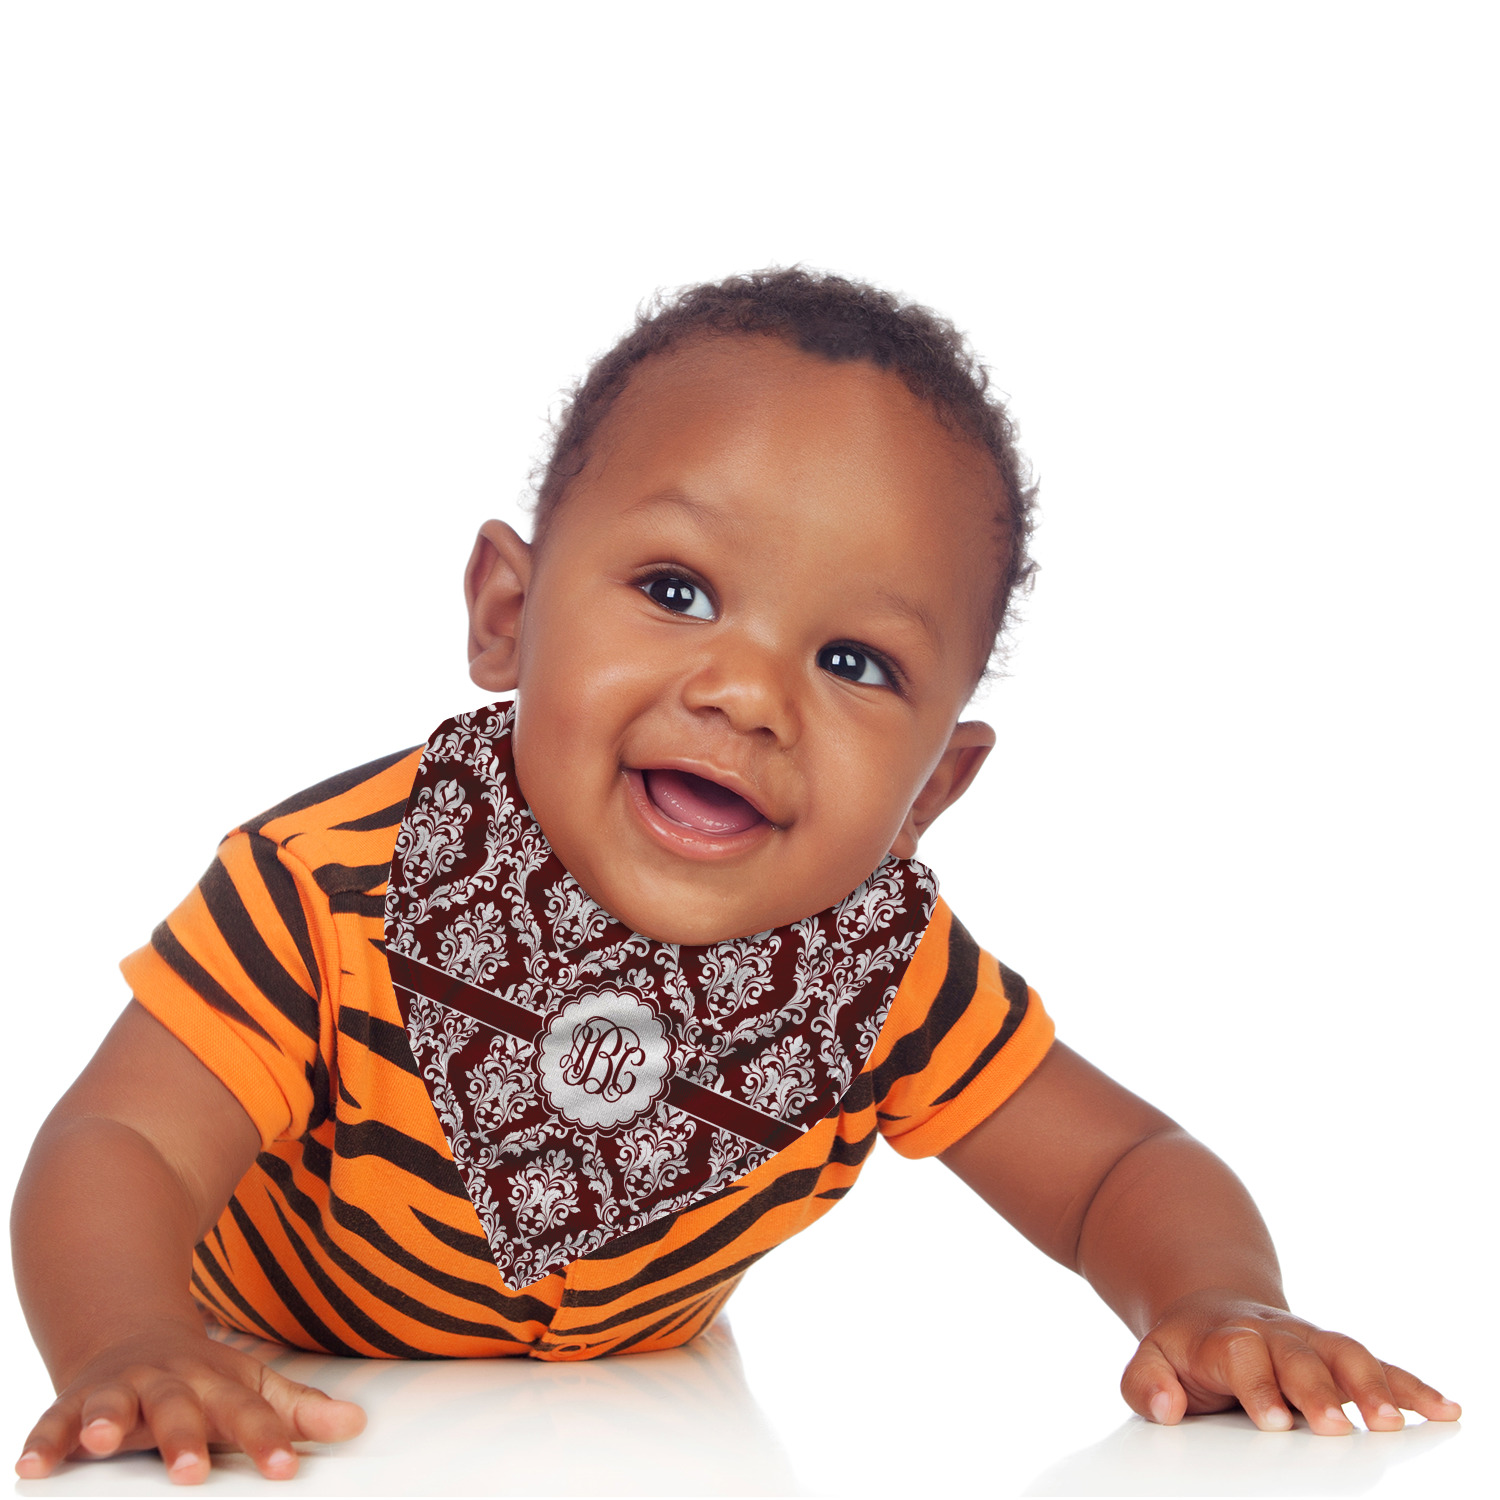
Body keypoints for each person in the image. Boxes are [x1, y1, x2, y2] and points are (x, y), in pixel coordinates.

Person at [11, 269, 1460, 1485]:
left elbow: (1119, 1169)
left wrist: (1215, 1297)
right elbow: (116, 1147)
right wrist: (131, 1341)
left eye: (854, 662)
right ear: (509, 614)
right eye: (676, 591)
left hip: (660, 1446)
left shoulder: (875, 973)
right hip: (286, 1403)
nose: (748, 695)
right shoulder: (330, 893)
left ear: (931, 790)